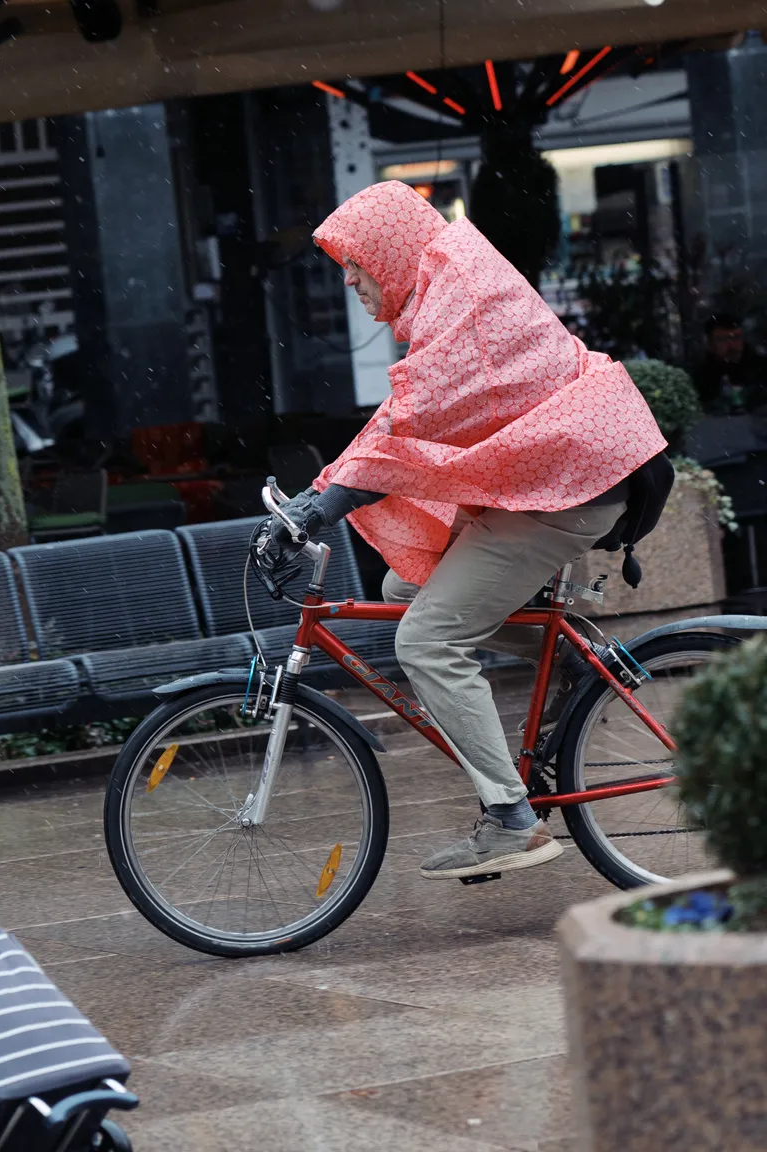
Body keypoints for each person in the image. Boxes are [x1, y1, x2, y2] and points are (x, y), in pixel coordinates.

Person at [267, 180, 666, 882]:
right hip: (566, 473)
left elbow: (410, 422)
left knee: (425, 637)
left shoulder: (461, 294)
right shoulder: (443, 285)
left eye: (357, 261)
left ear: (391, 250)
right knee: (405, 584)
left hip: (572, 484)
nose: (350, 278)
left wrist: (323, 505)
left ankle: (512, 820)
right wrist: (318, 494)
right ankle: (575, 666)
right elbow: (401, 418)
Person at [693, 312, 767, 414]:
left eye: (736, 337)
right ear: (710, 343)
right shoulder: (700, 375)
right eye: (723, 339)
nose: (732, 345)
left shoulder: (761, 368)